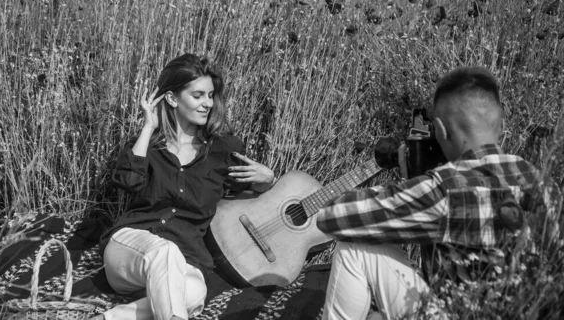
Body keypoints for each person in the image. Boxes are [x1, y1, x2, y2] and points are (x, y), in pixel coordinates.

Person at [316, 67, 555, 320]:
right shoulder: (545, 184)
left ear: (440, 130)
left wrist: (411, 185)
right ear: (503, 125)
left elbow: (330, 216)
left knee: (353, 246)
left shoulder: (444, 189)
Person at [92, 54, 275, 320]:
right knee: (165, 252)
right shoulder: (148, 146)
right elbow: (127, 182)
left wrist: (267, 180)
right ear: (172, 98)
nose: (207, 104)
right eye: (198, 95)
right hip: (131, 248)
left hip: (188, 258)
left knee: (192, 294)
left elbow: (253, 194)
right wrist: (148, 127)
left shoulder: (224, 150)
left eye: (211, 95)